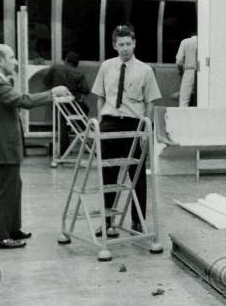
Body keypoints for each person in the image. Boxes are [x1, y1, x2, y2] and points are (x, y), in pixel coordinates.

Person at [0, 44, 68, 249]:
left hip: (2, 145)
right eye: (12, 57)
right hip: (2, 146)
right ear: (0, 60)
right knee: (4, 191)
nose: (15, 61)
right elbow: (24, 101)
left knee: (13, 187)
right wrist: (53, 92)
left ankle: (12, 228)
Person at [90, 25, 161, 253]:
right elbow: (100, 97)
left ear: (135, 43)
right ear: (114, 45)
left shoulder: (145, 70)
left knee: (137, 176)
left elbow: (150, 102)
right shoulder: (106, 67)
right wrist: (100, 123)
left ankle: (137, 221)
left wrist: (144, 130)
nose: (125, 48)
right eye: (120, 44)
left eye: (128, 44)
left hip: (134, 124)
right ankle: (108, 221)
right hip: (110, 122)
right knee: (108, 173)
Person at [43, 51, 91, 153]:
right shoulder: (79, 74)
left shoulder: (55, 68)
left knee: (61, 126)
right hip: (73, 103)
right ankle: (90, 144)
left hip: (58, 102)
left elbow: (46, 81)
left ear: (65, 60)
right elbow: (86, 90)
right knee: (81, 121)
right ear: (76, 64)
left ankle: (63, 150)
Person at [175, 34, 198, 107]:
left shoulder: (185, 42)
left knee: (184, 99)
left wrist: (180, 70)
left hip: (189, 71)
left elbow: (179, 60)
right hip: (204, 72)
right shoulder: (204, 42)